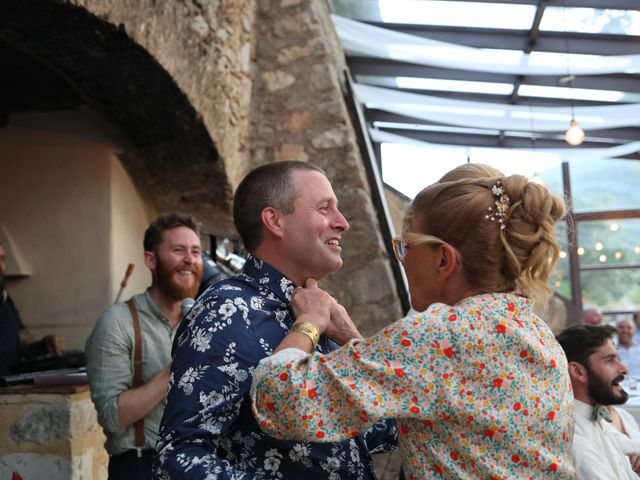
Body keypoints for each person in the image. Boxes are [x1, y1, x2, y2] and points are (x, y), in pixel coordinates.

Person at [251, 163, 575, 479]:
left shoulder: (437, 336)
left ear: (444, 259)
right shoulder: (536, 333)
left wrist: (308, 322)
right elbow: (427, 384)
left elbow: (279, 399)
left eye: (406, 246)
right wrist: (351, 336)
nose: (403, 261)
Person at [154, 161, 397, 479]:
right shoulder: (226, 312)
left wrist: (349, 335)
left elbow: (383, 431)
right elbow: (180, 454)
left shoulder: (317, 310)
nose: (343, 223)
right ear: (274, 221)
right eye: (325, 208)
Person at [85, 212, 203, 480]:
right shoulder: (117, 323)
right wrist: (177, 367)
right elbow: (112, 418)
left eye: (196, 252)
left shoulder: (205, 320)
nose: (190, 260)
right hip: (140, 467)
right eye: (178, 250)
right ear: (151, 259)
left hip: (200, 464)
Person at [556, 324, 639, 478]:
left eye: (618, 358)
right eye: (609, 360)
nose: (623, 369)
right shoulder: (574, 438)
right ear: (578, 371)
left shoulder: (599, 421)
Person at [0, 241, 66, 376]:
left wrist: (44, 344)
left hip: (11, 390)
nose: (1, 266)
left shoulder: (6, 301)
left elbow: (23, 341)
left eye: (2, 259)